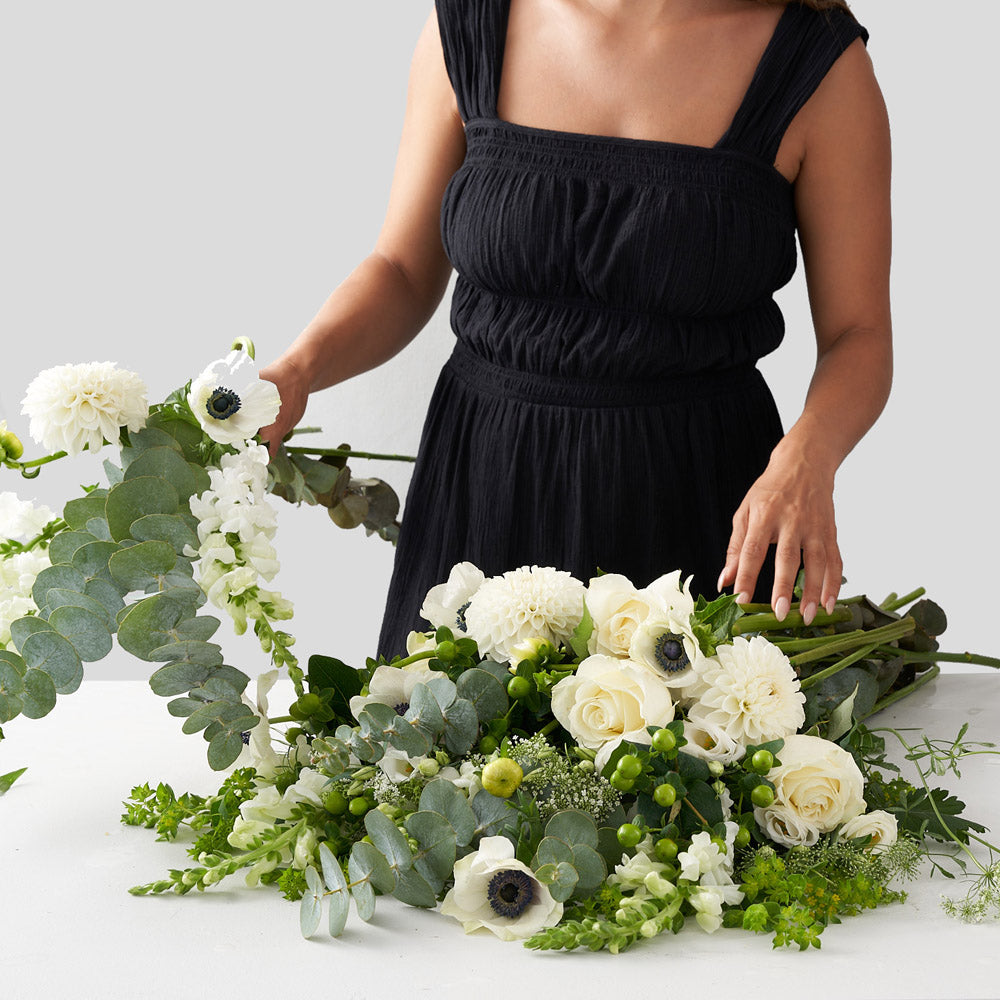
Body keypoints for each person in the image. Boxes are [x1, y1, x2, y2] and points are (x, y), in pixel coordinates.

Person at [259, 0, 892, 662]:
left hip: (697, 505)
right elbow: (401, 268)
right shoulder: (473, 21)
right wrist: (297, 372)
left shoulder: (819, 65)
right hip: (486, 492)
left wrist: (807, 459)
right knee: (439, 755)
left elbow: (860, 332)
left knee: (688, 759)